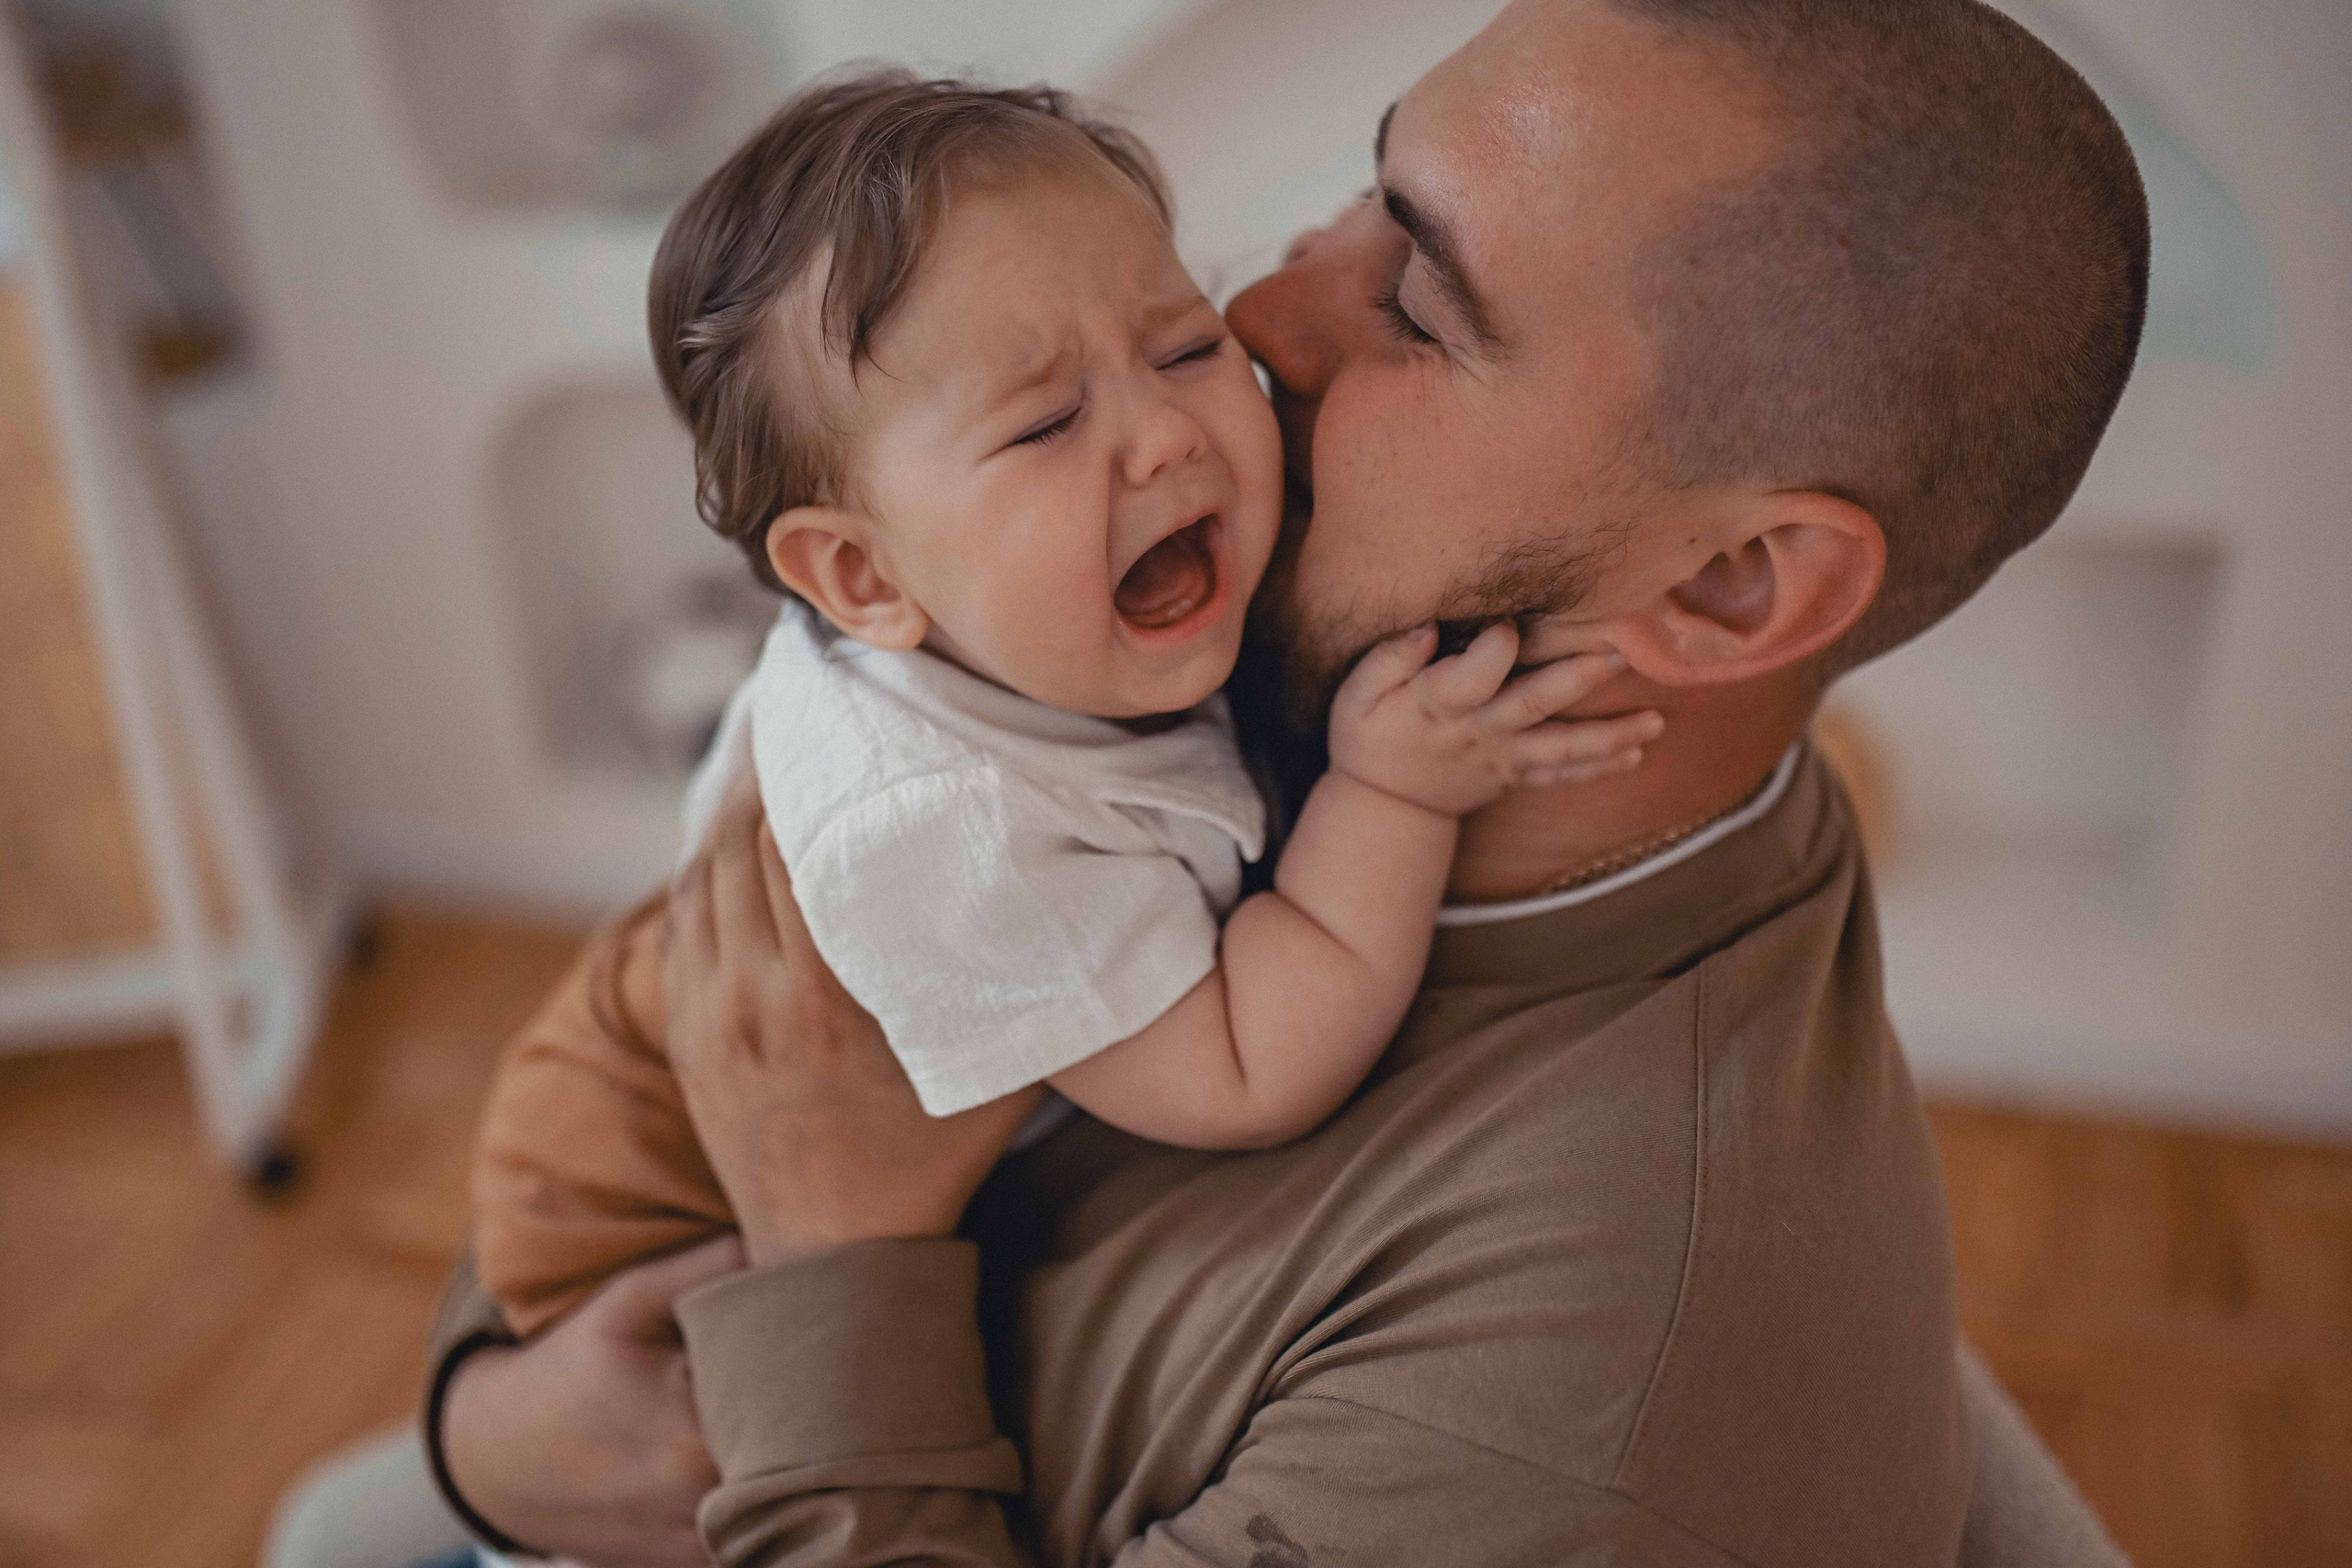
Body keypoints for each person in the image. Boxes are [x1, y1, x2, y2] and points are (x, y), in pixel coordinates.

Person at [287, 0, 2152, 1562]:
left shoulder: (1580, 1422)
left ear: (1729, 583)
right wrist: (493, 1421)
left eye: (1418, 304)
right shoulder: (1230, 657)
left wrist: (827, 1253)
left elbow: (772, 1104)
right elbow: (676, 1038)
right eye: (1360, 196)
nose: (1257, 315)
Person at [470, 74, 1657, 1337]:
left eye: (1187, 348)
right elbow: (1247, 1067)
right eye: (1045, 424)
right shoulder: (952, 825)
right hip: (630, 1205)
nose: (1167, 435)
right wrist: (1393, 795)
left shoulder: (1036, 609)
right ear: (865, 580)